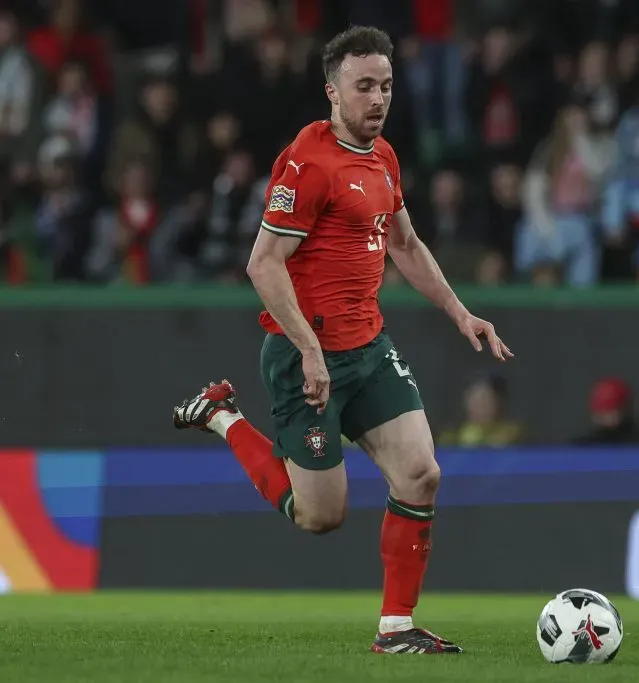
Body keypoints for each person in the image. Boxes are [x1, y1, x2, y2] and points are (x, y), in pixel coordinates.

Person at [171, 26, 512, 655]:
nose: (377, 99)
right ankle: (223, 415)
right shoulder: (307, 163)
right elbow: (263, 264)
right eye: (363, 87)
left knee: (421, 473)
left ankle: (396, 628)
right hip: (305, 355)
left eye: (386, 86)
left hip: (369, 348)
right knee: (320, 516)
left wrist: (461, 312)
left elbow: (405, 244)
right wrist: (307, 349)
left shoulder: (384, 158)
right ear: (332, 91)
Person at [572, 377, 639, 444]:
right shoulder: (583, 447)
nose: (605, 414)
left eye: (610, 408)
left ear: (624, 409)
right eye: (601, 409)